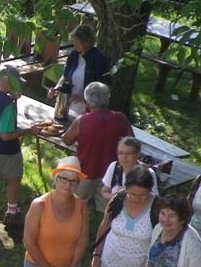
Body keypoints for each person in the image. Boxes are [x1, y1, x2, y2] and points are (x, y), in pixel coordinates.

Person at [0, 66, 38, 234]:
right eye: (15, 83)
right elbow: (6, 135)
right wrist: (29, 130)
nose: (18, 86)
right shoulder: (7, 105)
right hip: (6, 150)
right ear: (7, 80)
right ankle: (12, 213)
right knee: (13, 178)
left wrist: (12, 99)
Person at [61, 82, 133, 212]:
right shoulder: (121, 118)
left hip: (86, 171)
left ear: (87, 101)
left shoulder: (82, 120)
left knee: (75, 207)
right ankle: (103, 232)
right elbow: (132, 143)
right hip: (111, 174)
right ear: (108, 99)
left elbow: (67, 140)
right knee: (108, 212)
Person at [46, 24, 111, 117]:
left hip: (88, 108)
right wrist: (57, 88)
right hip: (68, 102)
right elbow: (65, 76)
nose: (74, 44)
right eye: (74, 41)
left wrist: (83, 98)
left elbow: (103, 88)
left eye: (77, 42)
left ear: (87, 42)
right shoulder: (73, 55)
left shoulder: (99, 59)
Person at [100, 137, 161, 203]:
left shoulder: (148, 173)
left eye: (128, 153)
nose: (124, 157)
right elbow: (104, 192)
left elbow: (155, 200)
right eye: (121, 153)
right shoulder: (114, 167)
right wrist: (117, 198)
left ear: (138, 154)